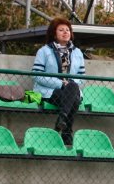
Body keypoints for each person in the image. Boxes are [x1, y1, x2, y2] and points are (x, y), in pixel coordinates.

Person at [32, 17, 85, 146]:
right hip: (50, 90)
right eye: (61, 30)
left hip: (71, 90)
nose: (65, 32)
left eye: (68, 30)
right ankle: (66, 133)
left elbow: (82, 77)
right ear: (54, 33)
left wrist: (70, 84)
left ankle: (62, 119)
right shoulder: (44, 51)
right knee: (74, 99)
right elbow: (37, 75)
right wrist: (61, 83)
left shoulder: (77, 52)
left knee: (72, 88)